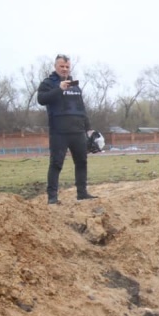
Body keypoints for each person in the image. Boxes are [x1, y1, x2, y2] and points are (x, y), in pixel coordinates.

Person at [37, 54, 97, 204]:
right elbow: (41, 99)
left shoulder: (75, 85)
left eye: (67, 66)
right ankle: (52, 198)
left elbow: (81, 108)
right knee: (56, 164)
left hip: (78, 132)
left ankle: (82, 193)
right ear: (55, 67)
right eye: (62, 66)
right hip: (59, 132)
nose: (64, 69)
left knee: (82, 162)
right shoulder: (48, 83)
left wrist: (89, 129)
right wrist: (59, 89)